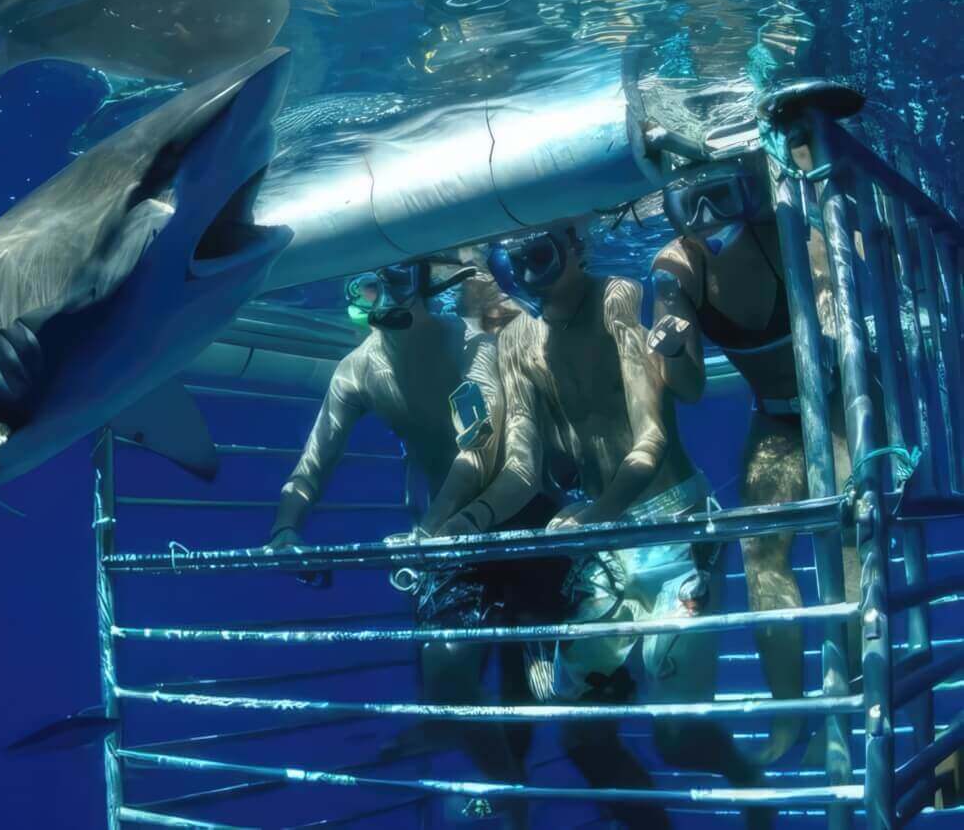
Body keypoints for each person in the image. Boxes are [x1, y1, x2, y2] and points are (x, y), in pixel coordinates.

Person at [485, 219, 769, 830]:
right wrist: (455, 523)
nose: (531, 274)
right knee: (582, 733)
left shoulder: (618, 301)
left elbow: (652, 438)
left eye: (541, 253)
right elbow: (525, 464)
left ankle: (748, 780)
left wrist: (593, 514)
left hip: (674, 532)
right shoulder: (519, 340)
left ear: (575, 248)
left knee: (675, 739)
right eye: (517, 262)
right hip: (605, 542)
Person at [266, 253, 539, 828]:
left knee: (532, 687)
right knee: (447, 681)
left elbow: (479, 443)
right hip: (440, 539)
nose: (385, 297)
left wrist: (430, 528)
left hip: (518, 514)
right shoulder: (356, 370)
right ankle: (513, 800)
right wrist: (284, 529)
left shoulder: (468, 343)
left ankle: (515, 788)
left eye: (397, 278)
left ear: (425, 281)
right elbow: (312, 462)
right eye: (368, 286)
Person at [647, 158, 857, 764]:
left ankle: (857, 687)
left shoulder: (797, 229)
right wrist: (675, 337)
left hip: (842, 403)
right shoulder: (676, 262)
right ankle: (791, 718)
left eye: (720, 194)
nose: (706, 216)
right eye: (691, 202)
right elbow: (685, 388)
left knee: (846, 535)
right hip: (773, 415)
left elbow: (837, 332)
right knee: (761, 554)